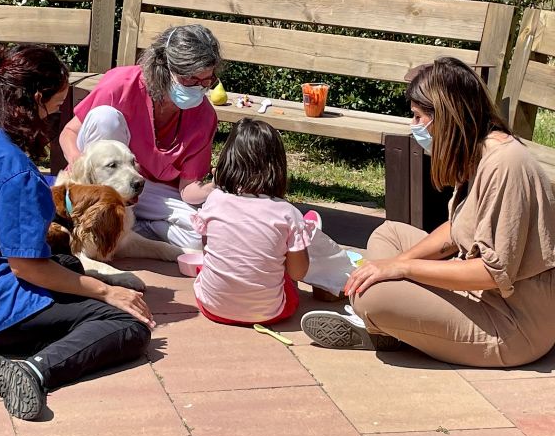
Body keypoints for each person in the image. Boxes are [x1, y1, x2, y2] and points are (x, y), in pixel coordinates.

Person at [0, 44, 155, 420]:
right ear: (36, 100)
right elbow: (28, 268)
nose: (59, 114)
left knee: (68, 265)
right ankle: (32, 370)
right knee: (126, 323)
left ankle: (45, 335)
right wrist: (107, 291)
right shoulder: (13, 167)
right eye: (57, 105)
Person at [301, 57, 555, 367]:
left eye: (420, 117)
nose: (415, 127)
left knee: (372, 296)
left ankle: (389, 324)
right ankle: (397, 326)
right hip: (477, 296)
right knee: (389, 234)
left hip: (512, 327)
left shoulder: (504, 164)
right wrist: (391, 264)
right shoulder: (479, 154)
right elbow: (455, 231)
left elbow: (491, 272)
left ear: (447, 117)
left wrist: (402, 270)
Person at [59, 24, 222, 250]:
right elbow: (69, 133)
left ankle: (130, 228)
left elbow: (188, 189)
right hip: (104, 183)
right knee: (105, 117)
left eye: (207, 81)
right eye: (190, 80)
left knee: (199, 235)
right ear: (163, 68)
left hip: (148, 192)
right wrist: (80, 165)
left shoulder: (204, 116)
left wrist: (218, 185)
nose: (199, 88)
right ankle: (97, 214)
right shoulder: (120, 85)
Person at [191, 118, 317, 325]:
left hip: (212, 307)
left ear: (227, 160)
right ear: (277, 166)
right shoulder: (287, 213)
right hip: (270, 313)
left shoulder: (214, 200)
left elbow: (208, 251)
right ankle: (303, 234)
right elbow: (298, 273)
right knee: (287, 282)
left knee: (209, 270)